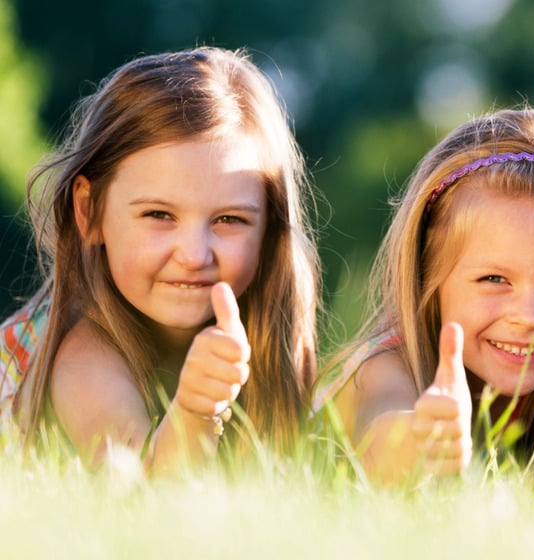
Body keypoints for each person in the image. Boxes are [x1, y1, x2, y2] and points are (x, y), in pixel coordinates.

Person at [0, 46, 321, 472]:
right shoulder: (81, 355)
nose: (193, 255)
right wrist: (194, 413)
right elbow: (135, 490)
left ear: (270, 228)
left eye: (229, 219)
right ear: (89, 212)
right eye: (158, 215)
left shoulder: (262, 341)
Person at [314, 104, 534, 484]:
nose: (529, 316)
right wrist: (421, 438)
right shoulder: (382, 370)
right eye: (494, 279)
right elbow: (381, 433)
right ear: (427, 271)